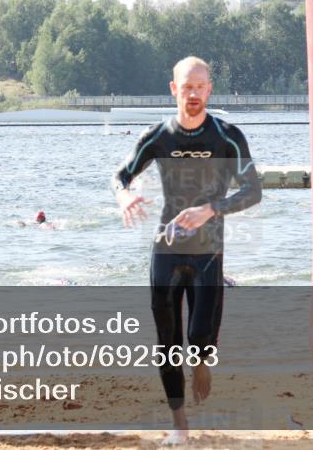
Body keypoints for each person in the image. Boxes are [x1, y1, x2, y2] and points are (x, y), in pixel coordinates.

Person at [111, 56, 262, 445]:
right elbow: (120, 175)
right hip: (166, 249)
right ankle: (180, 426)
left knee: (200, 336)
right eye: (186, 86)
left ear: (209, 89)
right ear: (173, 89)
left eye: (200, 86)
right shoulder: (158, 136)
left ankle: (202, 360)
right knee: (166, 342)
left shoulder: (227, 136)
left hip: (209, 251)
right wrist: (124, 196)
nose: (193, 94)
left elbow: (253, 191)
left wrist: (212, 208)